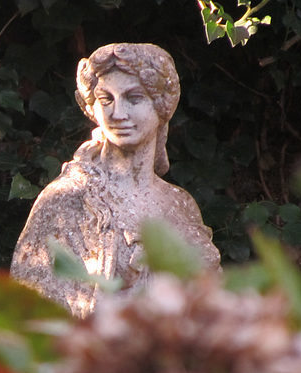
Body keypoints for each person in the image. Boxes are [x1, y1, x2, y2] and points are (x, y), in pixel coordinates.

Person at [11, 43, 220, 318]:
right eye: (106, 99)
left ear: (162, 107)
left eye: (134, 98)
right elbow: (30, 311)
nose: (118, 114)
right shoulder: (69, 199)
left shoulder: (180, 205)